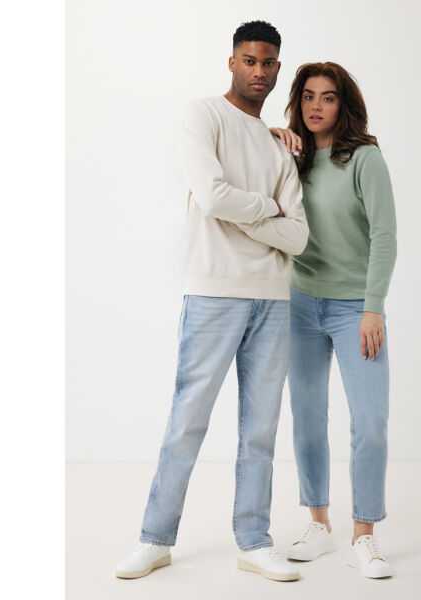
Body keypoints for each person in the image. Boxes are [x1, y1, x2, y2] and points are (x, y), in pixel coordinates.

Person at [115, 21, 309, 583]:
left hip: (273, 299)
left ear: (278, 68)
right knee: (188, 420)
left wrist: (245, 210)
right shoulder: (202, 115)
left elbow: (299, 237)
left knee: (261, 429)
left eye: (268, 63)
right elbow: (211, 194)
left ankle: (255, 541)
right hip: (214, 291)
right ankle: (155, 539)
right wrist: (268, 208)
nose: (259, 71)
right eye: (249, 60)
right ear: (232, 62)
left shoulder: (279, 144)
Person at [271, 62, 397, 578]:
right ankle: (318, 524)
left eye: (327, 97)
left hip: (354, 310)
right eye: (307, 96)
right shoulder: (291, 157)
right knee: (307, 416)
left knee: (370, 421)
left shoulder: (365, 159)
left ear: (343, 104)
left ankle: (363, 535)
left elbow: (385, 236)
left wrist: (373, 307)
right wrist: (268, 137)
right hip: (300, 302)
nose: (316, 106)